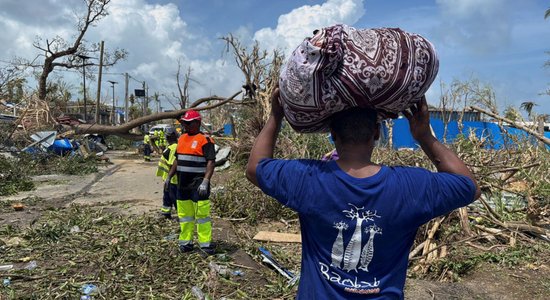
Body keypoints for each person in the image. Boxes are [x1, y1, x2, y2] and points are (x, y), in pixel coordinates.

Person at [245, 89, 481, 299]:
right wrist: (424, 136)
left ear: (333, 135)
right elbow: (468, 185)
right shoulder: (411, 185)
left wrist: (276, 116)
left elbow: (255, 168)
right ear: (377, 133)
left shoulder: (308, 179)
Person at [167, 109, 216, 255]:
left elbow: (211, 162)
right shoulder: (181, 139)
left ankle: (205, 245)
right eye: (184, 123)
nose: (186, 126)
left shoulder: (205, 140)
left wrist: (206, 181)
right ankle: (186, 243)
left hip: (198, 184)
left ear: (197, 123)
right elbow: (177, 159)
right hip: (183, 185)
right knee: (185, 216)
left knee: (202, 216)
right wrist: (169, 176)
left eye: (189, 123)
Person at [156, 132, 179, 219]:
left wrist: (169, 177)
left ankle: (182, 216)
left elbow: (173, 164)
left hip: (173, 179)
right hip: (168, 178)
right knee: (167, 197)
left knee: (175, 198)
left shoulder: (174, 148)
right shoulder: (170, 148)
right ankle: (166, 213)